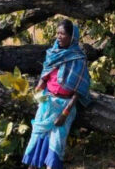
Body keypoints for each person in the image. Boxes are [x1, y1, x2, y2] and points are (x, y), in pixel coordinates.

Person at [22, 19, 92, 169]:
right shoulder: (53, 53)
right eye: (57, 33)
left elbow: (79, 90)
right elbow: (45, 75)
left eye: (63, 34)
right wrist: (39, 89)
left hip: (64, 106)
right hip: (47, 103)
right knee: (37, 138)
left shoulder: (78, 59)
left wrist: (65, 113)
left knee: (56, 143)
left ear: (72, 37)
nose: (59, 37)